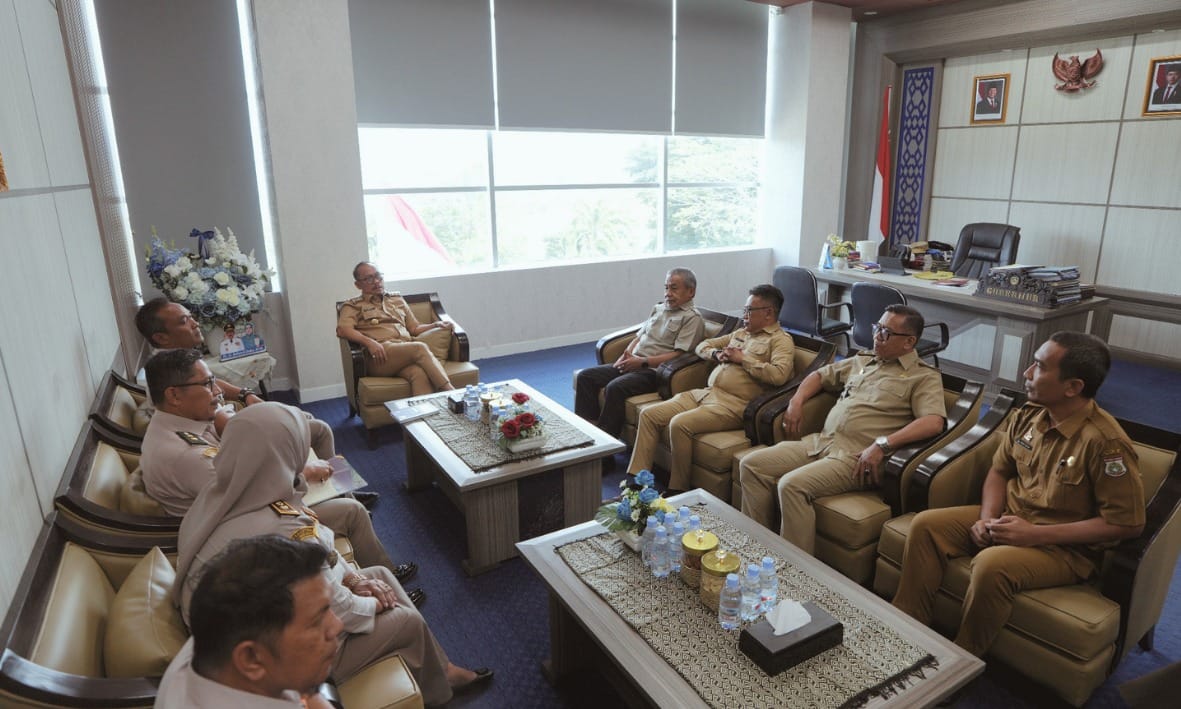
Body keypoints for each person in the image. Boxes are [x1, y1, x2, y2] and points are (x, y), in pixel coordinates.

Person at [175, 403, 493, 705]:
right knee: (406, 621)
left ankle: (442, 669)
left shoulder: (224, 494)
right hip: (276, 660)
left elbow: (321, 548)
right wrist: (376, 603)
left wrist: (355, 579)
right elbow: (343, 613)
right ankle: (441, 690)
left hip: (247, 626)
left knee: (379, 574)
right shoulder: (279, 526)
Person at [891, 332, 1145, 658]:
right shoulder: (1029, 415)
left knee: (991, 565)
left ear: (1073, 387)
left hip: (1064, 549)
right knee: (925, 525)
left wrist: (1035, 535)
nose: (1027, 373)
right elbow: (999, 472)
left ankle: (962, 660)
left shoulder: (1106, 443)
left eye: (1039, 366)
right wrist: (986, 519)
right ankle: (907, 630)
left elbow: (1127, 524)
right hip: (1011, 518)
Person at [140, 348, 418, 586]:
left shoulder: (181, 422)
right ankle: (388, 580)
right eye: (207, 384)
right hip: (240, 528)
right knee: (353, 513)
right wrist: (304, 473)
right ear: (174, 395)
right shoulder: (186, 455)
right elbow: (251, 497)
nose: (217, 391)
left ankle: (344, 489)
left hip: (244, 501)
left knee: (319, 429)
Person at [739, 304, 946, 554]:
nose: (877, 336)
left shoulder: (923, 376)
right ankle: (756, 548)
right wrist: (796, 402)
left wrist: (883, 444)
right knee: (752, 464)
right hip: (821, 442)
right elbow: (819, 375)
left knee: (791, 486)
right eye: (877, 328)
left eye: (886, 332)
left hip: (856, 457)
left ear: (909, 342)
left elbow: (933, 421)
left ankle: (795, 568)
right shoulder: (863, 360)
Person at [135, 297, 377, 508]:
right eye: (184, 321)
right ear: (161, 337)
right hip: (236, 439)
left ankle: (342, 490)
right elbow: (222, 424)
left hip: (232, 430)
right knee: (320, 430)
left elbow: (216, 384)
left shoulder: (177, 362)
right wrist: (260, 416)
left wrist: (245, 394)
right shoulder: (166, 376)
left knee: (307, 420)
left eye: (190, 317)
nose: (195, 323)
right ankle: (343, 493)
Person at [626, 284, 795, 493]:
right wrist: (716, 354)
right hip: (706, 394)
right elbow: (702, 346)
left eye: (749, 310)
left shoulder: (780, 341)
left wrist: (744, 359)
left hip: (732, 405)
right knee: (649, 414)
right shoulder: (741, 333)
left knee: (679, 424)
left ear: (768, 313)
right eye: (744, 310)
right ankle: (635, 480)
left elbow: (779, 375)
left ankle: (677, 489)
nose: (744, 315)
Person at [156, 535, 342, 708]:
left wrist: (310, 692)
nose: (337, 626)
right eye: (316, 621)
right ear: (251, 658)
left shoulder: (221, 633)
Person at [574, 268, 706, 439]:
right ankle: (587, 432)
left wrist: (643, 362)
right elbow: (639, 336)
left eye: (674, 288)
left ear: (691, 291)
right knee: (586, 377)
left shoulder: (692, 318)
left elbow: (679, 355)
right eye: (666, 287)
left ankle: (605, 443)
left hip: (654, 372)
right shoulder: (659, 308)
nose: (668, 293)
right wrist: (626, 354)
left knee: (616, 387)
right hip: (633, 362)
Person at [336, 262, 455, 395]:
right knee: (419, 347)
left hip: (403, 352)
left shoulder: (397, 299)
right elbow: (342, 329)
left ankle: (425, 408)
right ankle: (451, 392)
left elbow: (414, 328)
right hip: (379, 357)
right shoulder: (353, 305)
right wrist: (369, 342)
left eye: (378, 276)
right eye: (369, 279)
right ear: (358, 285)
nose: (376, 281)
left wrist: (435, 325)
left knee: (418, 373)